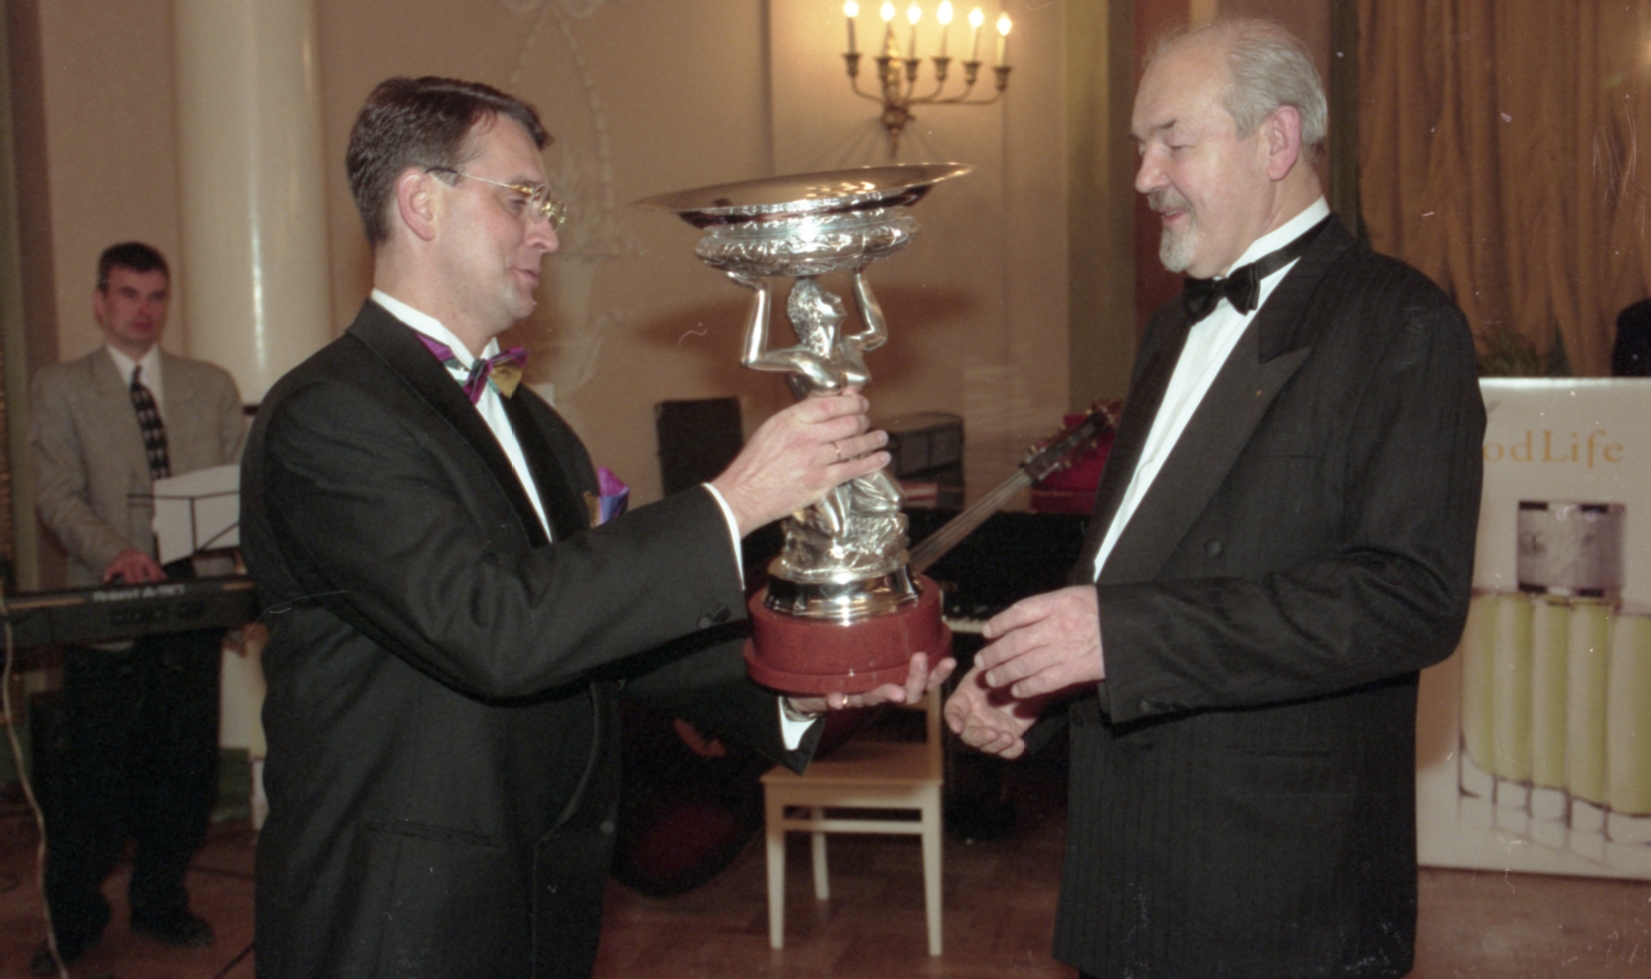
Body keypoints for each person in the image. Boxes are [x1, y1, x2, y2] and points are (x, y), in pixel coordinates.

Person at [240, 76, 950, 979]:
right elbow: (493, 627)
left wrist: (804, 681)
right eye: (520, 199)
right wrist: (733, 501)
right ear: (421, 202)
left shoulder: (535, 424)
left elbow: (603, 631)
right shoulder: (330, 413)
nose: (547, 232)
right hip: (396, 916)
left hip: (541, 893)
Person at [945, 19, 1485, 979]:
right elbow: (1129, 563)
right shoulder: (1166, 332)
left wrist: (1117, 638)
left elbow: (1410, 598)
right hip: (1125, 874)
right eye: (1138, 147)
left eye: (1172, 142)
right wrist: (1033, 683)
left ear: (1275, 141)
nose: (1143, 176)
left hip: (1278, 893)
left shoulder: (1400, 322)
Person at [29, 242, 246, 974]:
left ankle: (160, 900)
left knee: (183, 770)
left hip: (192, 604)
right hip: (110, 603)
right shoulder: (61, 388)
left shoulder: (209, 386)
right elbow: (56, 493)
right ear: (100, 302)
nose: (143, 309)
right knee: (95, 781)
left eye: (155, 296)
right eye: (127, 294)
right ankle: (74, 920)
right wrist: (116, 552)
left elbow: (235, 483)